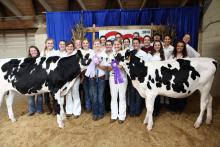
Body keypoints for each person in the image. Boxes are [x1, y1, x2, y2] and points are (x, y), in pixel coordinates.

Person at [128, 38, 152, 117]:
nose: (135, 44)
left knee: (139, 94)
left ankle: (137, 111)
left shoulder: (144, 53)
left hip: (141, 78)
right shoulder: (130, 53)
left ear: (139, 44)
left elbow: (146, 65)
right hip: (132, 77)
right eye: (134, 43)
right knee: (132, 93)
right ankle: (132, 111)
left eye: (136, 43)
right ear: (132, 44)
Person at [85, 39, 108, 121]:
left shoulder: (104, 54)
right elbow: (87, 65)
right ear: (93, 45)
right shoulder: (90, 54)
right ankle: (95, 113)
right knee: (94, 96)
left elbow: (106, 68)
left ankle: (101, 112)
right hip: (92, 78)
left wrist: (98, 64)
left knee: (100, 96)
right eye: (95, 44)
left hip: (101, 77)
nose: (96, 45)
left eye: (98, 44)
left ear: (100, 45)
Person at [107, 39, 127, 124]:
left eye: (118, 44)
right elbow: (108, 68)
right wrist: (115, 65)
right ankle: (114, 115)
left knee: (122, 97)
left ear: (121, 45)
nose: (116, 46)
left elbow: (124, 66)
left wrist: (116, 65)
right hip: (112, 77)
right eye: (115, 44)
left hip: (122, 77)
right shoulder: (111, 55)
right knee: (114, 97)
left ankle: (121, 116)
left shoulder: (124, 54)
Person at [168, 40, 188, 113]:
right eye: (178, 46)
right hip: (173, 78)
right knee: (172, 93)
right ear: (176, 47)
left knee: (182, 93)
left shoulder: (186, 57)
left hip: (182, 78)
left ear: (184, 48)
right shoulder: (171, 56)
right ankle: (173, 108)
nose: (179, 47)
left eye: (182, 46)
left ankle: (180, 108)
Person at [41, 38, 59, 115]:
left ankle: (55, 109)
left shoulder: (56, 52)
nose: (50, 44)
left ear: (53, 44)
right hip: (44, 76)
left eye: (51, 43)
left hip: (53, 76)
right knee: (46, 94)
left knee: (54, 94)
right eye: (48, 43)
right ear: (45, 44)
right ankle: (49, 109)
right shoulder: (43, 53)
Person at [65, 42, 81, 118]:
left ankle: (77, 112)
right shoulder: (63, 56)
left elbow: (80, 67)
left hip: (75, 78)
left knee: (75, 94)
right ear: (65, 47)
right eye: (68, 46)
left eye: (71, 46)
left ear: (73, 47)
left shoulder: (76, 56)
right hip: (66, 79)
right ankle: (69, 111)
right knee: (68, 94)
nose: (69, 48)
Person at [27, 46, 43, 116]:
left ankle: (39, 109)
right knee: (31, 96)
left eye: (34, 50)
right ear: (30, 52)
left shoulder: (41, 59)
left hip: (39, 80)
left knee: (39, 96)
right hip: (30, 80)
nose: (33, 52)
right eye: (31, 51)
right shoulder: (27, 60)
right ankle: (31, 110)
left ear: (37, 51)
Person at [150, 40, 165, 116]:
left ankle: (157, 109)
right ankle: (151, 109)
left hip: (160, 77)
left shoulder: (163, 55)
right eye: (155, 45)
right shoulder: (150, 54)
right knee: (151, 94)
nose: (157, 46)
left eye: (158, 45)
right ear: (153, 46)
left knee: (158, 93)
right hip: (151, 77)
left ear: (161, 46)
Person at [81, 39, 92, 112]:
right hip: (83, 74)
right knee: (86, 91)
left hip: (91, 74)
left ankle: (93, 106)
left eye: (86, 43)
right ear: (82, 44)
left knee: (92, 91)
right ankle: (88, 107)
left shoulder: (92, 51)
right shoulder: (80, 52)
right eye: (84, 43)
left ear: (89, 44)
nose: (85, 44)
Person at [104, 40, 113, 112]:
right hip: (105, 77)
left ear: (112, 45)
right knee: (106, 92)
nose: (108, 46)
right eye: (107, 44)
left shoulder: (115, 54)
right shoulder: (103, 54)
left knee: (113, 93)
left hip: (114, 77)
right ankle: (107, 108)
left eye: (110, 44)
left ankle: (114, 108)